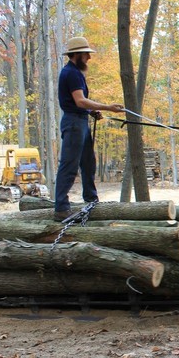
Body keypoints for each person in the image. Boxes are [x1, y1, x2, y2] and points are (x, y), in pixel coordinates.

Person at [54, 36, 124, 221]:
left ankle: (91, 199)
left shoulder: (75, 73)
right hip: (74, 122)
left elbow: (81, 103)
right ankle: (61, 207)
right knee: (69, 165)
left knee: (88, 162)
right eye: (86, 54)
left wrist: (92, 111)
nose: (89, 58)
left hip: (81, 120)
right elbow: (79, 101)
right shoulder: (71, 73)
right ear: (76, 54)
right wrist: (107, 107)